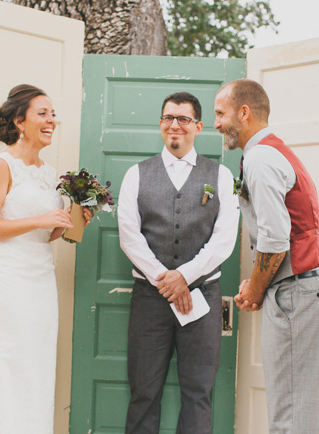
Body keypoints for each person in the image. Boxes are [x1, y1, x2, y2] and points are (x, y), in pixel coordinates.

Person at [0, 84, 90, 433]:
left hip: (40, 277)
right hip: (8, 277)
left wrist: (71, 222)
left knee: (36, 364)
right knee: (7, 361)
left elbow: (46, 234)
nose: (51, 121)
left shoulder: (49, 173)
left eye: (53, 115)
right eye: (42, 114)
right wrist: (42, 219)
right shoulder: (2, 166)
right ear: (20, 121)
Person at [213, 79, 319, 434]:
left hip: (294, 292)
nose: (217, 122)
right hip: (294, 291)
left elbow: (275, 239)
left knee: (291, 416)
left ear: (244, 112)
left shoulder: (261, 158)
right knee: (292, 409)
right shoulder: (272, 152)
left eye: (221, 113)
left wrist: (254, 289)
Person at [118, 92, 239, 434]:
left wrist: (184, 277)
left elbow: (223, 241)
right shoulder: (136, 175)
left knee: (198, 393)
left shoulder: (221, 177)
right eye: (168, 118)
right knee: (143, 393)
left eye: (183, 119)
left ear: (198, 126)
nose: (175, 125)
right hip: (148, 299)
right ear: (161, 124)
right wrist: (166, 280)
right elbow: (129, 237)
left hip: (203, 298)